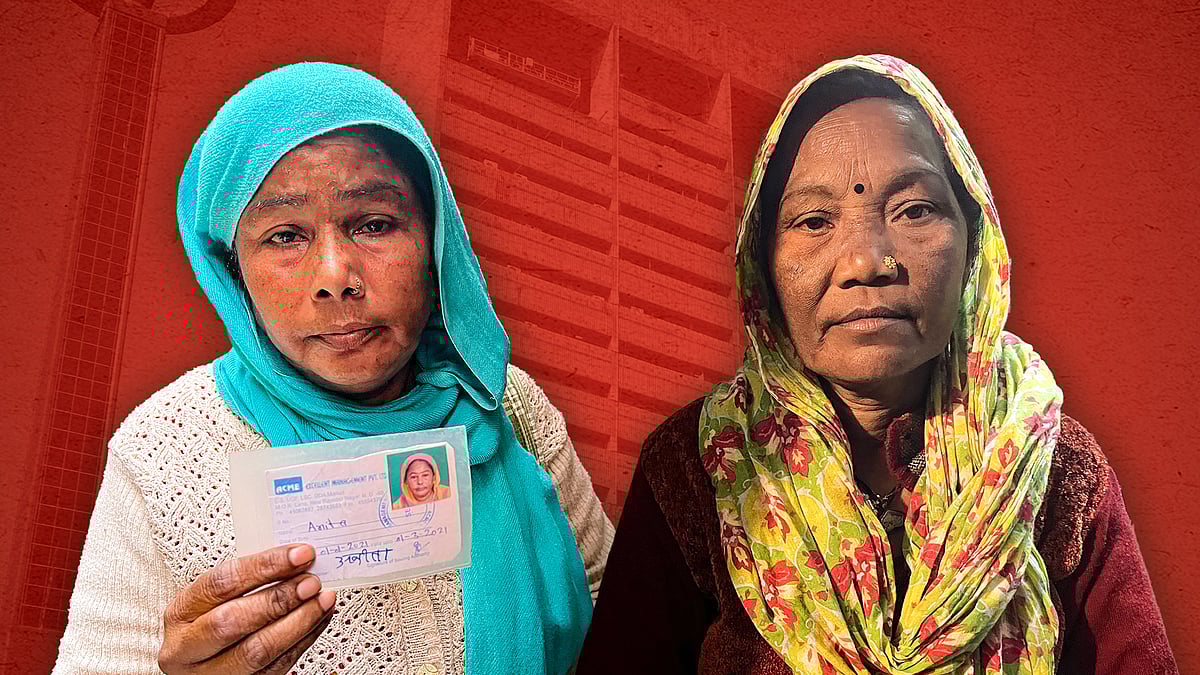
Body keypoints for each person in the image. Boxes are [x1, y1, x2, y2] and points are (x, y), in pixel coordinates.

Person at [577, 55, 1177, 674]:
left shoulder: (1053, 469)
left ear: (975, 242)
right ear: (762, 265)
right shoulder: (697, 470)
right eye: (814, 221)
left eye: (914, 210)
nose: (866, 260)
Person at [53, 62, 613, 674]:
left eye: (374, 224)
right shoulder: (162, 449)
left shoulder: (507, 407)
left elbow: (622, 630)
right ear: (230, 266)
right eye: (285, 236)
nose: (335, 279)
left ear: (436, 242)